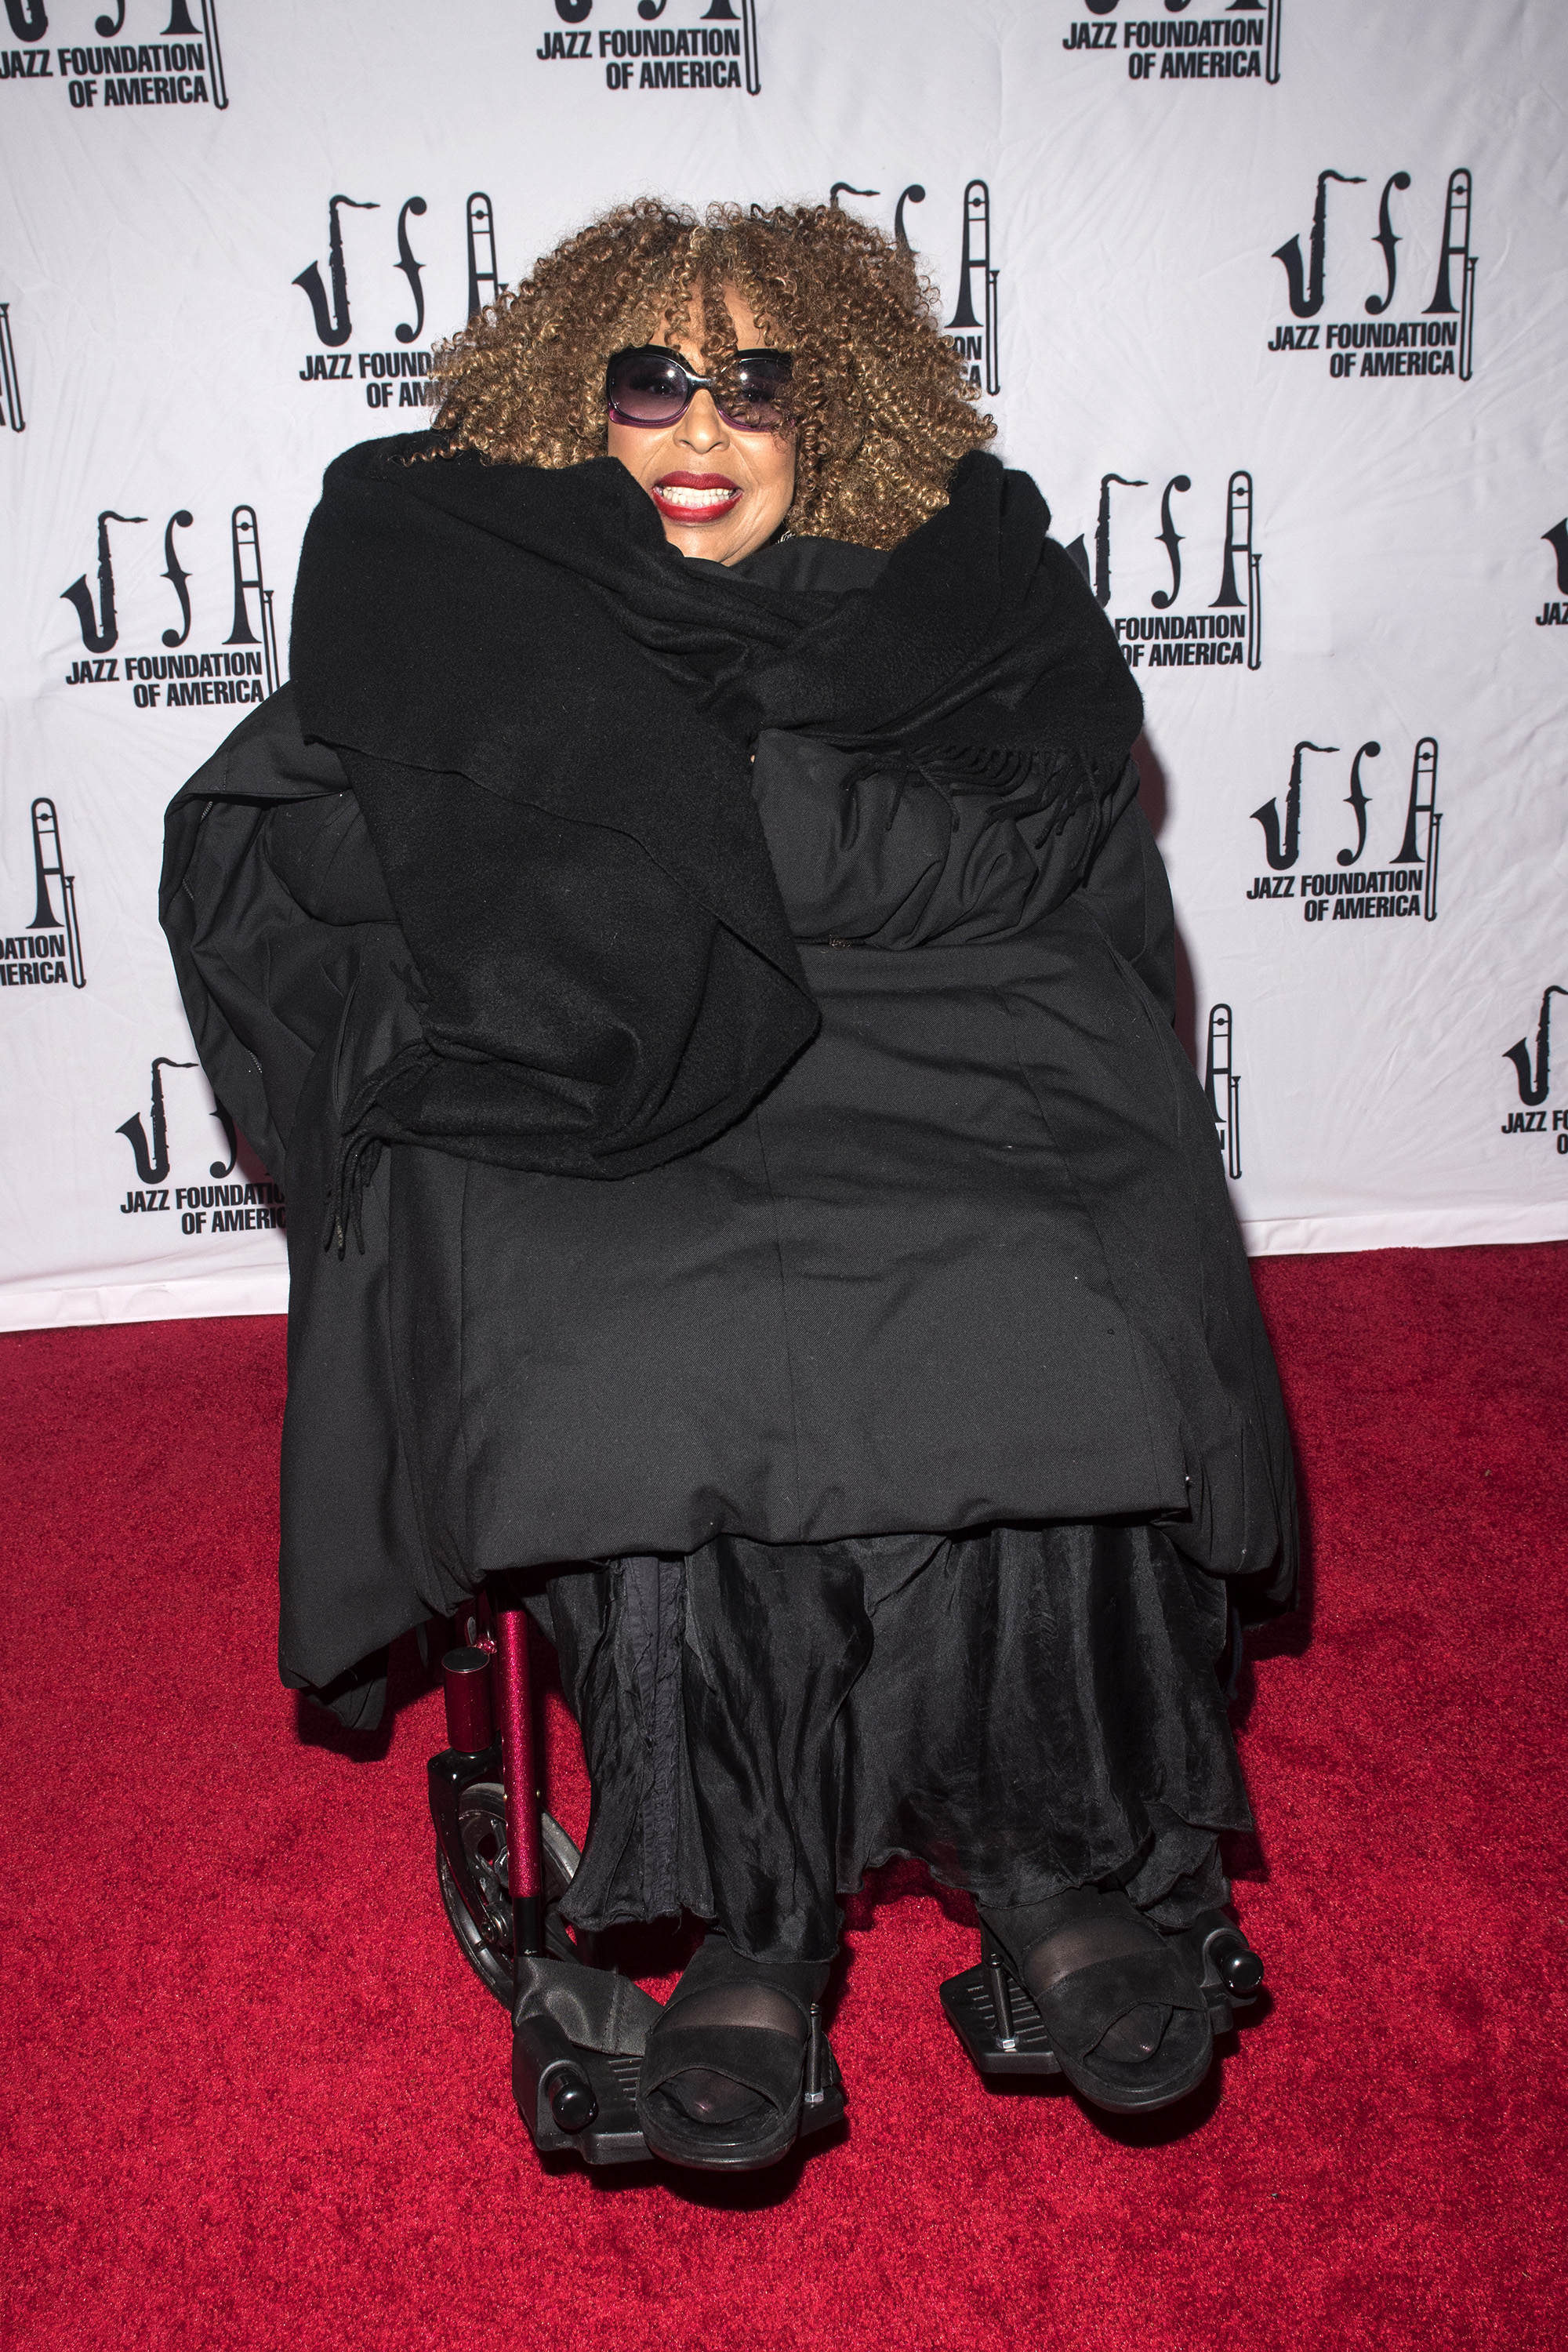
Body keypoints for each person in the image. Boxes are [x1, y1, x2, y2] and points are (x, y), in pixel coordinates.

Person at [162, 200, 1297, 2172]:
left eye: (756, 378)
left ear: (831, 397)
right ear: (565, 396)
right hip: (586, 1073)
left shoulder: (965, 575)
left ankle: (1053, 1865)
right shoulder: (448, 564)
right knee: (641, 1360)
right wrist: (674, 844)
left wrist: (611, 810)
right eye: (651, 376)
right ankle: (745, 1931)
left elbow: (1018, 858)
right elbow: (320, 844)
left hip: (937, 1052)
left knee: (1043, 1300)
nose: (703, 421)